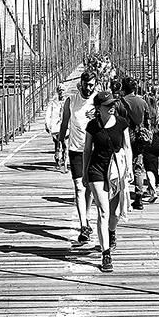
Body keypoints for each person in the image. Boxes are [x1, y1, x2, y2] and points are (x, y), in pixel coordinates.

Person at [82, 91, 132, 273]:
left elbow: (127, 147)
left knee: (115, 213)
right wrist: (85, 172)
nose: (112, 107)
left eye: (113, 104)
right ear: (98, 108)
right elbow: (87, 150)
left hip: (116, 171)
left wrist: (129, 169)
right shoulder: (92, 126)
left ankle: (111, 232)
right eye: (108, 105)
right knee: (103, 212)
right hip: (97, 169)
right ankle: (106, 253)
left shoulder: (122, 123)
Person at [58, 71, 97, 243]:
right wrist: (59, 146)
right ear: (81, 83)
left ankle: (86, 216)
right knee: (79, 187)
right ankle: (83, 225)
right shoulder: (71, 101)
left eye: (91, 85)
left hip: (94, 150)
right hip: (76, 150)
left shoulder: (98, 101)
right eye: (86, 84)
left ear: (95, 85)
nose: (88, 88)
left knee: (90, 188)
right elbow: (64, 124)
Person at [120, 77, 150, 210]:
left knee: (123, 166)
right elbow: (148, 121)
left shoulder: (120, 103)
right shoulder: (143, 102)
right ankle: (139, 197)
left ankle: (124, 196)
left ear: (123, 88)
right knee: (138, 166)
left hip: (124, 138)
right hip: (139, 138)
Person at [45, 84, 66, 169]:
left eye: (63, 90)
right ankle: (57, 158)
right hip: (56, 126)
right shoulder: (53, 102)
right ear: (57, 92)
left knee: (65, 144)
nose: (61, 92)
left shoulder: (68, 101)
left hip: (66, 125)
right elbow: (48, 113)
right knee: (57, 143)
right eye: (59, 90)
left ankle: (64, 160)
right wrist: (47, 123)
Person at [142, 122, 159, 203]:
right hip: (156, 141)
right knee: (154, 167)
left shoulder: (144, 117)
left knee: (149, 170)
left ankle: (153, 192)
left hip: (147, 141)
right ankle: (150, 189)